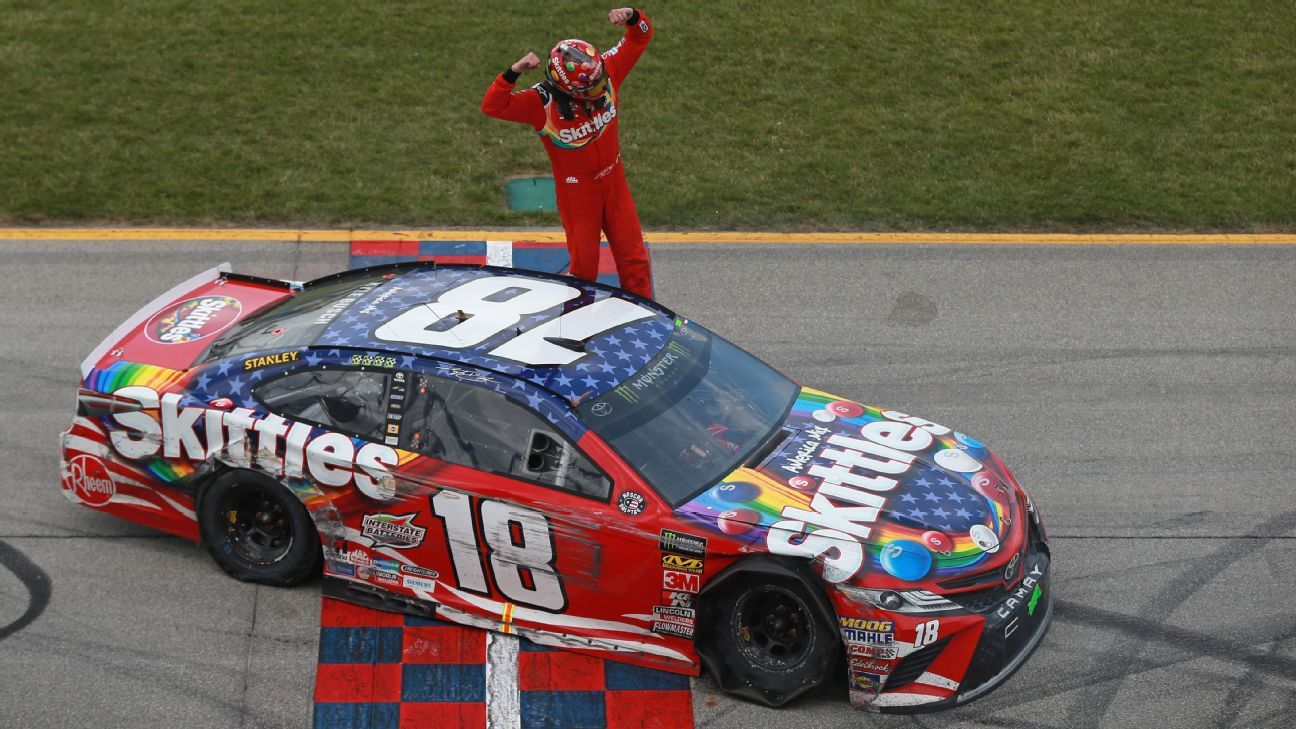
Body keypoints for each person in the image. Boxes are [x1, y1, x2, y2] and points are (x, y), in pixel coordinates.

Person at [481, 7, 655, 299]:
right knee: (585, 273)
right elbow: (492, 106)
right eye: (592, 87)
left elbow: (640, 37)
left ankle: (646, 319)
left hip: (615, 184)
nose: (602, 88)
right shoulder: (540, 103)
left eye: (600, 79)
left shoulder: (605, 71)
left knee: (635, 261)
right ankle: (575, 323)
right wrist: (513, 72)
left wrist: (633, 16)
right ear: (567, 89)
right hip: (578, 196)